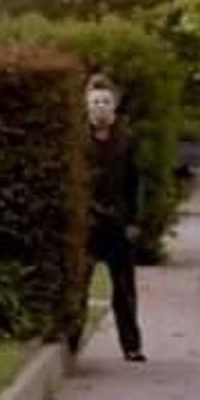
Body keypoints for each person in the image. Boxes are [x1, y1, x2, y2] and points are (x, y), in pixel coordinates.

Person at [84, 73, 146, 363]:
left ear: (114, 106)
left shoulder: (127, 140)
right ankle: (72, 336)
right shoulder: (78, 140)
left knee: (124, 288)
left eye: (105, 102)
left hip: (118, 224)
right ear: (87, 106)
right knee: (78, 284)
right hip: (87, 223)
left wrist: (134, 220)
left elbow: (135, 182)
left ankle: (131, 345)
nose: (100, 107)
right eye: (95, 102)